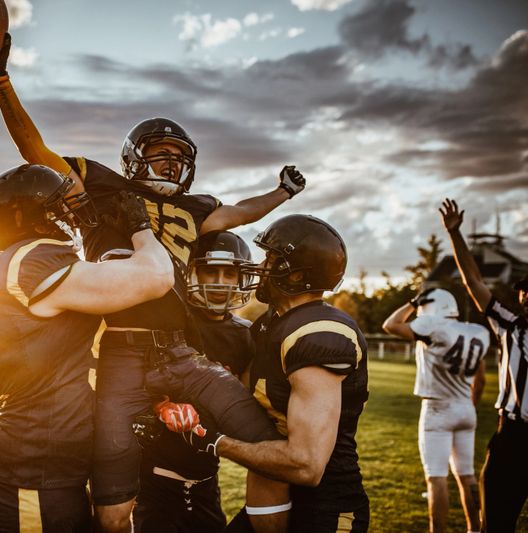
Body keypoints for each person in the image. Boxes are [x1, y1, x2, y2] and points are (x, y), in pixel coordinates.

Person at [0, 34, 304, 531]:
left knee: (272, 450)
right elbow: (36, 151)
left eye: (178, 157)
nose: (170, 164)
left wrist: (280, 193)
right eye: (159, 153)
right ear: (132, 156)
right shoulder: (103, 190)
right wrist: (0, 81)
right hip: (120, 352)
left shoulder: (195, 209)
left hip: (181, 350)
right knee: (113, 508)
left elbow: (237, 212)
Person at [0, 164, 177, 532]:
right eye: (61, 205)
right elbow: (158, 277)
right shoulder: (31, 259)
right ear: (34, 217)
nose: (73, 212)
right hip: (33, 472)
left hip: (52, 466)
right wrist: (141, 230)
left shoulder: (31, 260)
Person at [183, 215, 370, 533]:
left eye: (270, 258)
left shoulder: (319, 332)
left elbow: (306, 464)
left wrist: (214, 442)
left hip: (324, 506)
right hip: (275, 493)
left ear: (295, 274)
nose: (260, 266)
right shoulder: (269, 325)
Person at [132, 231, 264, 532]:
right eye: (210, 271)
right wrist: (160, 404)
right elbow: (134, 381)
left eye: (229, 273)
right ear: (192, 272)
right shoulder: (170, 321)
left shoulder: (247, 335)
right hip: (156, 477)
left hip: (206, 478)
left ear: (241, 278)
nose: (219, 281)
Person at [439, 198, 528, 533]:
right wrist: (456, 235)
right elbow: (474, 283)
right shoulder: (510, 325)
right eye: (523, 292)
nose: (526, 296)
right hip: (512, 437)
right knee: (495, 523)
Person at [383, 288, 489, 533]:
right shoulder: (477, 331)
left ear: (429, 307)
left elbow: (391, 324)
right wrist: (469, 408)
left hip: (437, 408)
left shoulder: (432, 324)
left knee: (436, 477)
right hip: (466, 408)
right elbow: (480, 380)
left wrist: (411, 303)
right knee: (466, 475)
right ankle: (475, 529)